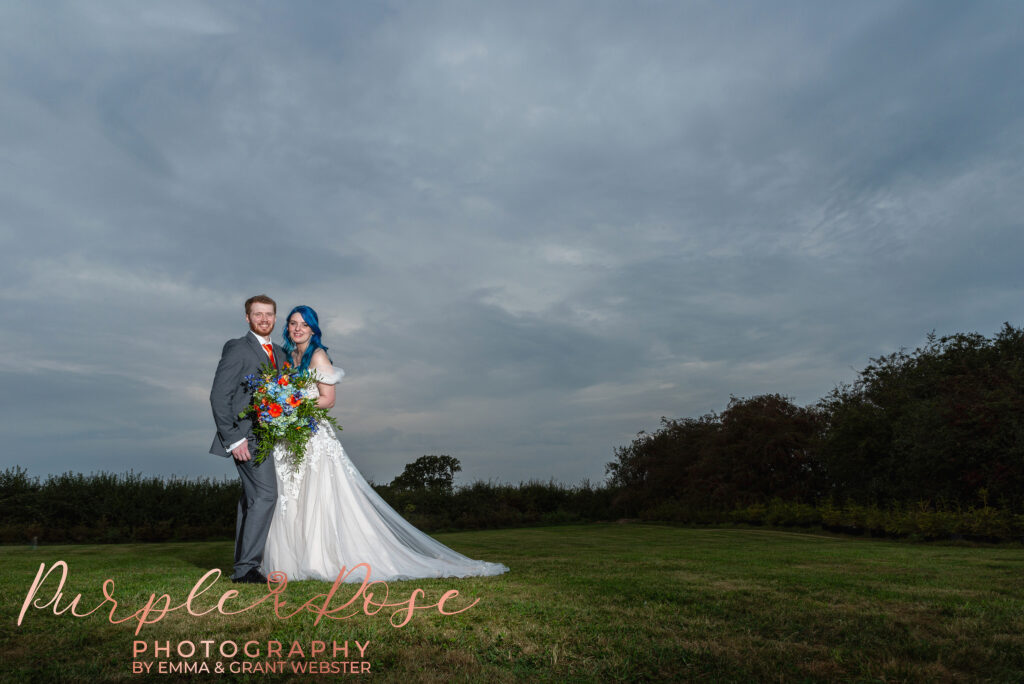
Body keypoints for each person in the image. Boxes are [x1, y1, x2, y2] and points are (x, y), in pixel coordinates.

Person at [263, 305, 509, 582]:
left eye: (303, 324)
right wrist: (281, 406)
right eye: (293, 323)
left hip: (312, 436)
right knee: (292, 496)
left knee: (319, 496)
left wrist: (293, 405)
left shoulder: (318, 356)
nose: (297, 328)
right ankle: (293, 560)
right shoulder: (289, 358)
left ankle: (321, 559)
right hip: (291, 435)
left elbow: (328, 399)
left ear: (313, 329)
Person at [209, 294, 287, 584]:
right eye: (258, 314)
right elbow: (219, 396)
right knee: (266, 495)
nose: (264, 319)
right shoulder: (237, 348)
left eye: (269, 314)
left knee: (252, 499)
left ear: (275, 317)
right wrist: (233, 439)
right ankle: (246, 569)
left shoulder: (279, 353)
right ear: (247, 318)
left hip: (269, 437)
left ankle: (243, 566)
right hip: (246, 438)